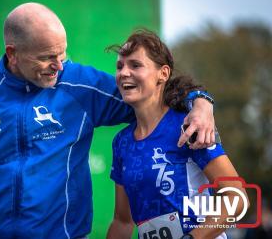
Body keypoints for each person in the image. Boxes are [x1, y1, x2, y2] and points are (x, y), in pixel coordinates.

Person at [0, 3, 216, 239]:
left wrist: (201, 102)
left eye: (62, 53)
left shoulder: (80, 85)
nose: (58, 65)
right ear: (13, 54)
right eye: (47, 57)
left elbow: (154, 93)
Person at [106, 30, 247, 239]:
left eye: (135, 65)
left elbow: (237, 198)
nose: (123, 73)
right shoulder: (121, 142)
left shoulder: (190, 124)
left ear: (163, 73)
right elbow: (122, 221)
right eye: (120, 66)